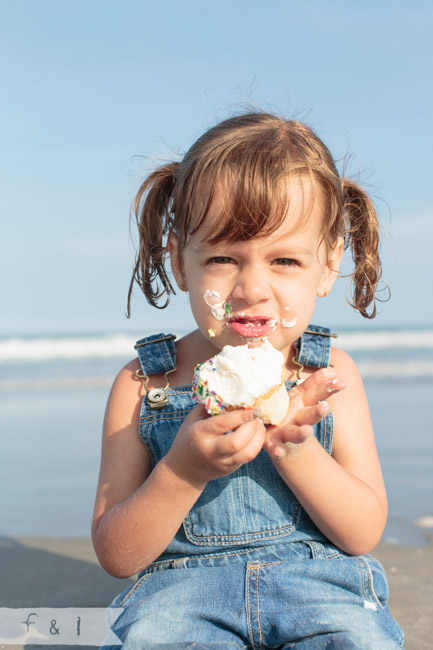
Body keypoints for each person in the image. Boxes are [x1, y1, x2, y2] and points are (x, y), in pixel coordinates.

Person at [92, 112, 404, 649]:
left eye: (284, 259)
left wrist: (298, 452)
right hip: (180, 596)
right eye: (221, 258)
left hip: (321, 586)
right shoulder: (147, 382)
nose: (251, 287)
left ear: (328, 265)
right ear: (180, 264)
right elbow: (118, 556)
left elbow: (362, 531)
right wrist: (181, 472)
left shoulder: (329, 374)